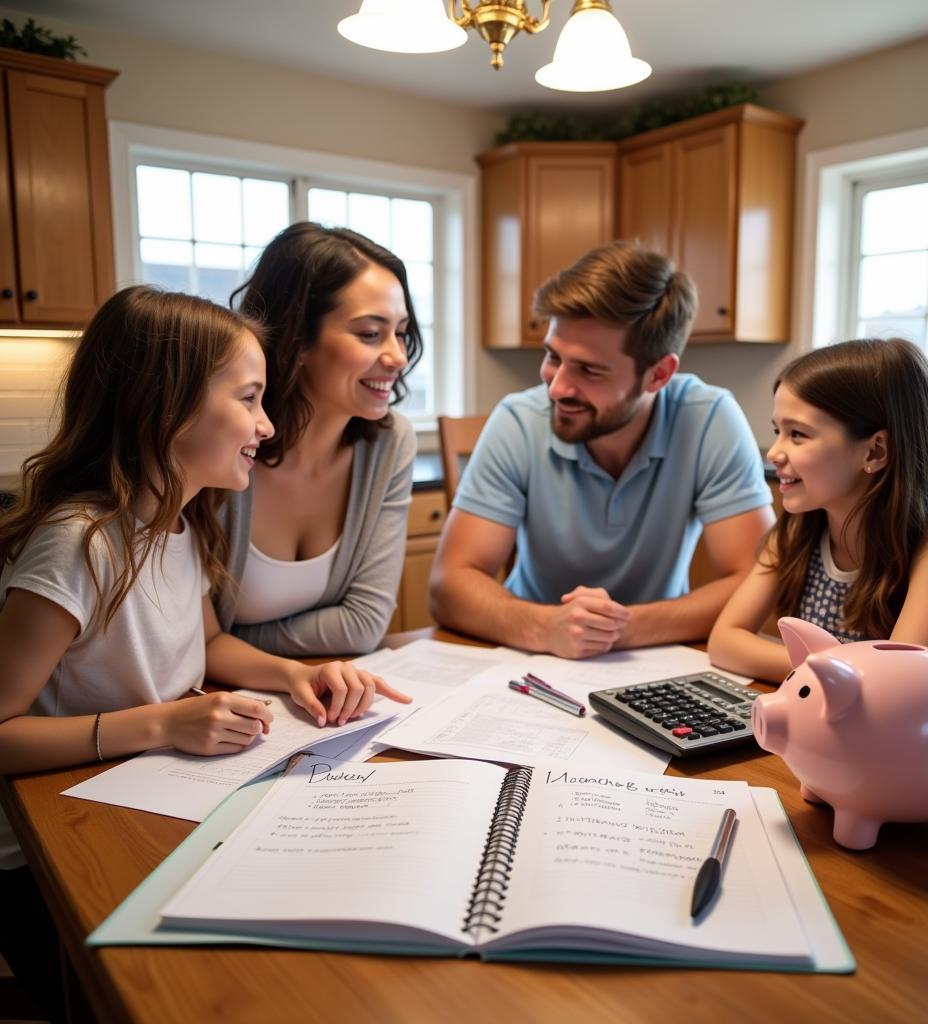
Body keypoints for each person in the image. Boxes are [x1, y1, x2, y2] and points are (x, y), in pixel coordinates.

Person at [0, 286, 409, 1019]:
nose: (268, 423)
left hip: (131, 799)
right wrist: (161, 725)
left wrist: (297, 674)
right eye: (250, 399)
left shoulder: (181, 526)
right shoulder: (78, 545)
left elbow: (211, 643)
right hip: (36, 857)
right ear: (168, 406)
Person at [430, 240, 775, 659]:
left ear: (658, 375)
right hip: (528, 654)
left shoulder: (709, 419)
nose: (556, 387)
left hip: (656, 655)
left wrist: (615, 629)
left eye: (589, 370)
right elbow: (449, 585)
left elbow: (757, 580)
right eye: (553, 357)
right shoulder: (518, 420)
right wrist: (547, 628)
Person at [708, 338, 928, 683]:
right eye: (778, 431)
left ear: (875, 452)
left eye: (798, 434)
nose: (774, 452)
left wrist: (814, 666)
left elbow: (894, 680)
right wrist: (835, 668)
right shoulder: (796, 530)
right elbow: (725, 642)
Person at [216, 222, 422, 656]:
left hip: (330, 691)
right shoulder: (222, 445)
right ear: (297, 340)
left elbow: (364, 625)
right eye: (370, 333)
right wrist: (212, 644)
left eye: (400, 332)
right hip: (218, 702)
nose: (398, 356)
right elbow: (185, 636)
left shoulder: (389, 443)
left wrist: (227, 642)